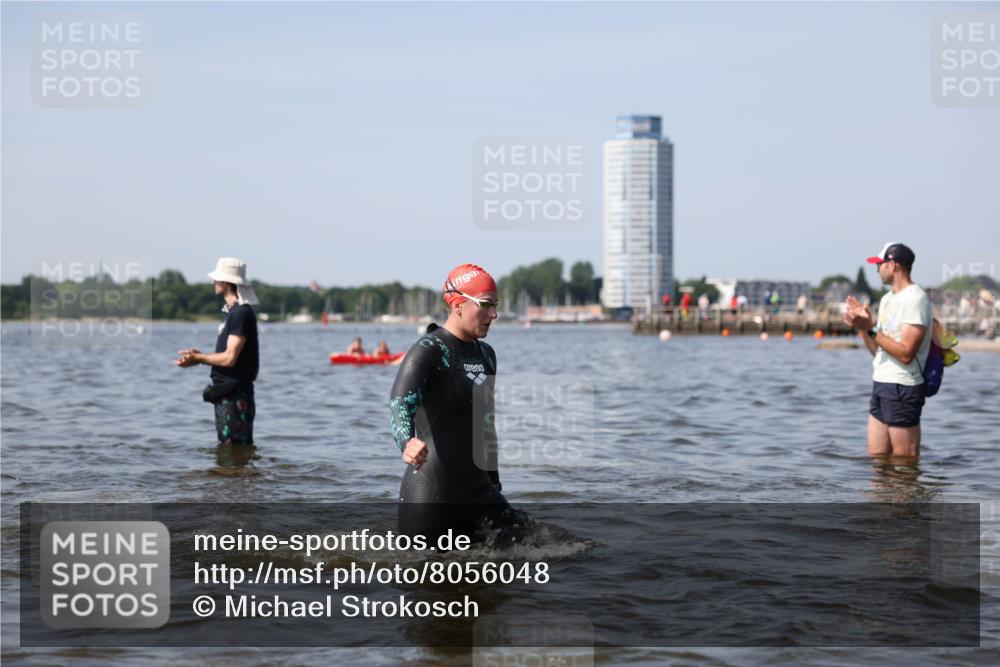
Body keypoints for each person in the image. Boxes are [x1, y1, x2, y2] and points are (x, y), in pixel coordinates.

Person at [389, 263, 529, 543]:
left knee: (534, 545)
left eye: (495, 305)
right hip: (432, 494)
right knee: (426, 570)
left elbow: (485, 422)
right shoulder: (429, 349)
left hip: (480, 492)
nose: (494, 314)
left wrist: (494, 477)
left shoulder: (486, 354)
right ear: (458, 305)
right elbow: (399, 404)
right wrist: (407, 443)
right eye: (485, 304)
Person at [844, 243, 932, 459]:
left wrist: (871, 329)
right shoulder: (886, 299)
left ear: (893, 265)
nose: (877, 270)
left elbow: (906, 353)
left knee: (905, 463)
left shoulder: (915, 298)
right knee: (877, 460)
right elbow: (878, 351)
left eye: (879, 265)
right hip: (881, 382)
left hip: (903, 385)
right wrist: (864, 328)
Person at [176, 257, 260, 446]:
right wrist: (199, 357)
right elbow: (228, 355)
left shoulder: (241, 313)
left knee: (233, 451)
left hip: (236, 396)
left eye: (217, 278)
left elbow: (230, 358)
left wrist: (199, 358)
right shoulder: (233, 313)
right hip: (227, 394)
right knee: (230, 451)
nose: (213, 282)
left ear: (227, 283)